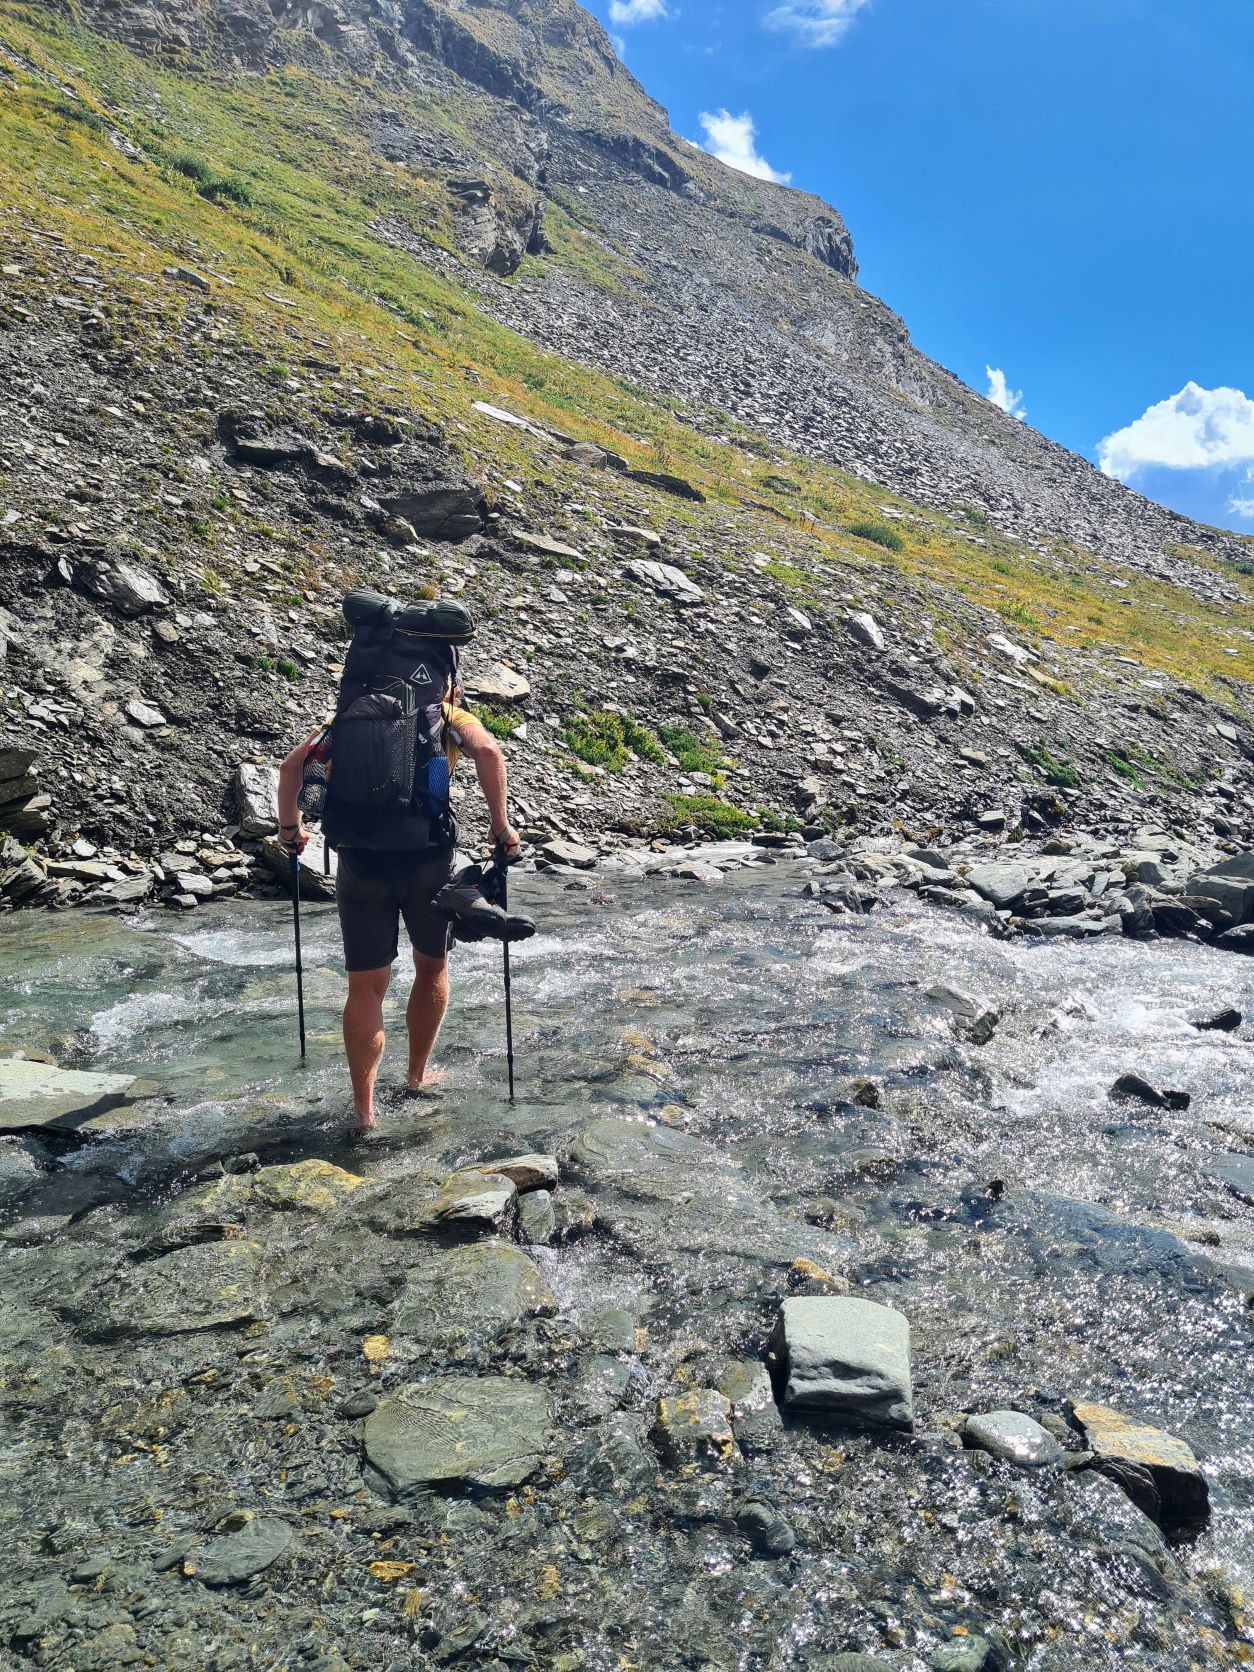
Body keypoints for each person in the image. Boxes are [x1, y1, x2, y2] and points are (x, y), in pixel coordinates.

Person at [276, 691, 521, 1130]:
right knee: (431, 966)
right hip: (428, 860)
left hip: (360, 861)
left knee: (365, 987)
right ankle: (416, 1077)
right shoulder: (446, 714)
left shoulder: (349, 716)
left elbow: (291, 767)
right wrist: (500, 825)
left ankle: (364, 1112)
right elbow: (487, 751)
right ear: (447, 683)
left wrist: (290, 829)